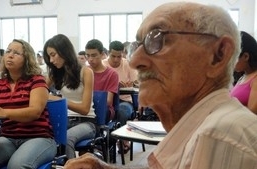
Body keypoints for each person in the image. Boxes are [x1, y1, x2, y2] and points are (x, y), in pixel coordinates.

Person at [64, 2, 257, 169]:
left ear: (219, 54)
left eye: (158, 40)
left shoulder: (219, 137)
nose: (135, 61)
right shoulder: (202, 127)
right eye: (137, 45)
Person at [0, 39, 56, 169]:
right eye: (8, 51)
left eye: (16, 53)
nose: (10, 55)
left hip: (39, 138)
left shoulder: (37, 81)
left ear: (27, 59)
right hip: (8, 138)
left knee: (16, 166)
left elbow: (35, 112)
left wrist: (4, 112)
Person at [43, 34, 96, 159]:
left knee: (66, 140)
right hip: (64, 120)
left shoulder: (86, 72)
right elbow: (39, 90)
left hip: (86, 122)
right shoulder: (55, 73)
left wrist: (60, 101)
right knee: (41, 137)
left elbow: (85, 109)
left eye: (53, 54)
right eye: (49, 56)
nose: (51, 60)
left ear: (64, 51)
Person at [102, 40, 138, 153]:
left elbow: (137, 82)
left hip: (125, 100)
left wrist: (131, 84)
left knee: (121, 112)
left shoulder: (127, 64)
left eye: (119, 56)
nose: (116, 59)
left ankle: (122, 141)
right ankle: (105, 142)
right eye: (113, 56)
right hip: (107, 100)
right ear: (108, 53)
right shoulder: (103, 65)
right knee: (101, 112)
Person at [85, 39, 119, 121]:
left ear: (102, 54)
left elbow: (108, 101)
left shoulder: (112, 74)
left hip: (104, 109)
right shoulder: (84, 72)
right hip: (87, 107)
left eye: (93, 55)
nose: (90, 59)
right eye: (88, 55)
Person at [230, 31, 257, 114]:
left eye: (234, 57)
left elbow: (252, 113)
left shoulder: (255, 79)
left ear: (246, 56)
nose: (231, 62)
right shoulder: (243, 76)